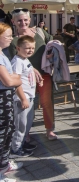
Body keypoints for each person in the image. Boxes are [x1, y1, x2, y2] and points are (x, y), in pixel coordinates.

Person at [9, 9, 56, 140]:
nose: (22, 22)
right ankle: (26, 132)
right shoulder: (14, 41)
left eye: (25, 19)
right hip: (26, 79)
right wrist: (32, 69)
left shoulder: (40, 33)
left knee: (47, 102)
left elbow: (51, 42)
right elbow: (17, 60)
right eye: (19, 20)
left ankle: (49, 130)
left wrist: (51, 52)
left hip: (44, 74)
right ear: (13, 22)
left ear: (30, 20)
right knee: (26, 105)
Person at [0, 22, 23, 182]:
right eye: (7, 35)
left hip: (6, 97)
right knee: (2, 133)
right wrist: (17, 79)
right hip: (2, 97)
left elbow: (11, 77)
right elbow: (9, 80)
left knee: (8, 129)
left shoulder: (3, 53)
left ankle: (4, 163)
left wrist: (14, 78)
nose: (11, 38)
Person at [10, 36, 39, 158]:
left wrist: (39, 79)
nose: (30, 50)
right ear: (18, 48)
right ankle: (15, 149)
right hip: (22, 99)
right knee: (20, 125)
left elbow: (29, 73)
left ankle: (22, 143)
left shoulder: (25, 59)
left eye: (32, 48)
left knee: (27, 123)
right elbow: (15, 82)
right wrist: (22, 98)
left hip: (30, 97)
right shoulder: (17, 61)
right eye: (27, 48)